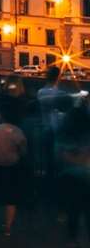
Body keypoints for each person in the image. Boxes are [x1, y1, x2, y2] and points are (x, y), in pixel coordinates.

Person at [0, 94, 30, 237]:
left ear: (1, 115)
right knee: (11, 199)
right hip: (12, 168)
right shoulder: (18, 132)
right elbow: (23, 152)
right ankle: (7, 228)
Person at [59, 102, 90, 247]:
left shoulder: (64, 135)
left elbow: (62, 156)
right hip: (86, 177)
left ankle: (72, 240)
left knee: (73, 211)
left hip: (70, 178)